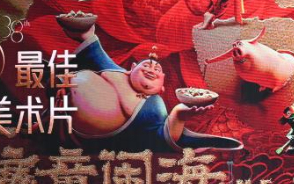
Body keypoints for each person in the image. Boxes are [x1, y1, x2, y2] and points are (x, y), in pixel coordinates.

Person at [61, 20, 242, 152]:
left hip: (76, 131)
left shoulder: (154, 106)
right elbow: (99, 55)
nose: (151, 69)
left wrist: (179, 114)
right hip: (58, 102)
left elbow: (160, 137)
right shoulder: (117, 72)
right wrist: (87, 34)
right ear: (131, 69)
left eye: (157, 70)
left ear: (161, 88)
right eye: (146, 66)